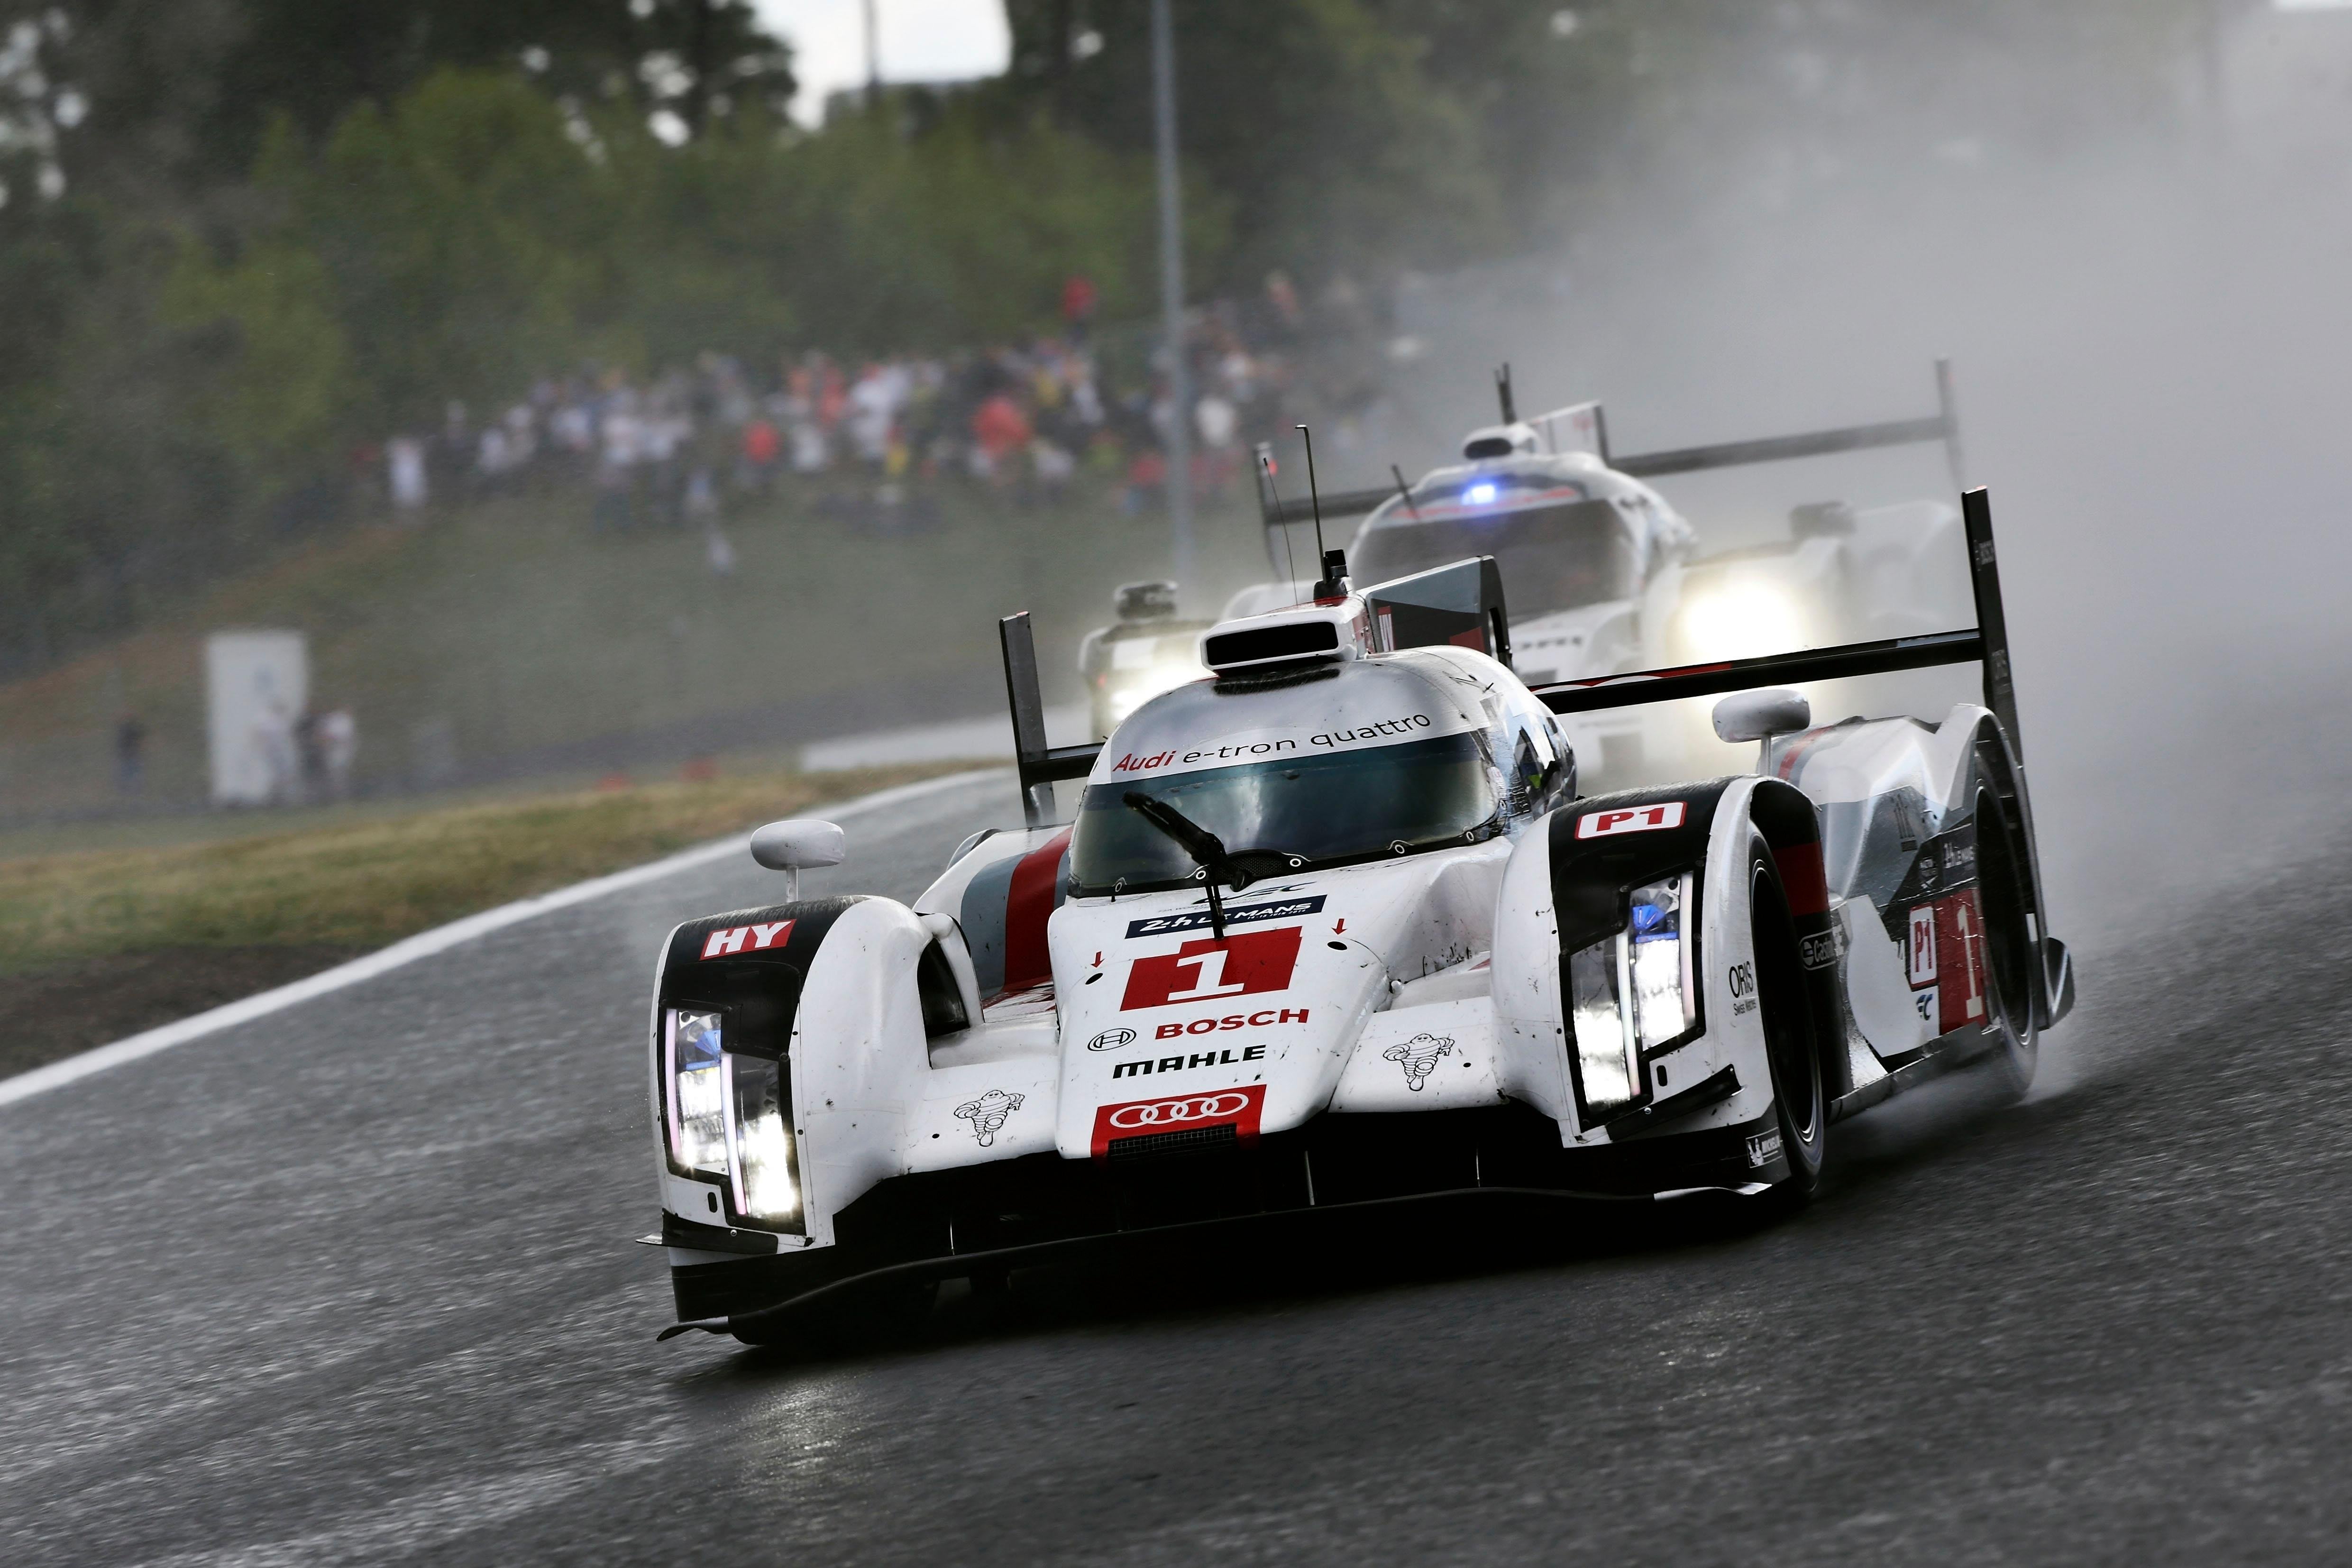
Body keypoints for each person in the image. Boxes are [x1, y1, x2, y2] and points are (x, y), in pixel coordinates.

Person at [114, 714, 146, 795]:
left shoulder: (124, 732)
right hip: (130, 756)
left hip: (129, 756)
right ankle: (131, 789)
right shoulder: (130, 732)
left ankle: (127, 789)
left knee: (129, 772)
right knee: (131, 771)